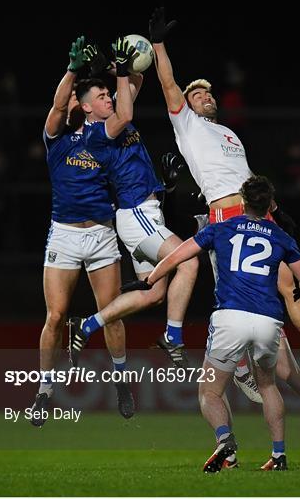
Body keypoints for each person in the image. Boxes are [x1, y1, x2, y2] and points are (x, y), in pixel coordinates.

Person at [148, 7, 300, 467]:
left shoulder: (229, 135)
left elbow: (249, 180)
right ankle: (250, 367)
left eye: (207, 92)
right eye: (196, 92)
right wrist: (160, 46)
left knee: (287, 290)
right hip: (226, 222)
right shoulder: (187, 123)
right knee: (261, 307)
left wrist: (278, 213)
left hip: (256, 217)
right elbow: (168, 86)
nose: (203, 96)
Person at [134, 175, 300, 471]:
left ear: (242, 202)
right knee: (268, 385)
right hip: (269, 320)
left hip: (231, 317)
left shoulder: (221, 228)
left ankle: (225, 442)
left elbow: (179, 256)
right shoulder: (281, 236)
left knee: (210, 391)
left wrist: (151, 280)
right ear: (269, 204)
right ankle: (279, 455)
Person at [67, 40, 199, 369]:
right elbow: (126, 110)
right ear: (86, 108)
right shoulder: (94, 133)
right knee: (189, 260)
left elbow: (136, 82)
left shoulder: (110, 113)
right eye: (99, 96)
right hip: (137, 213)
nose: (106, 97)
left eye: (106, 93)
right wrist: (122, 71)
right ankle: (173, 337)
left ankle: (88, 324)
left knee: (153, 294)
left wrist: (118, 68)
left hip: (145, 213)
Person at [30, 36, 134, 426]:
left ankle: (122, 381)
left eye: (80, 96)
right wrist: (72, 70)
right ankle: (44, 393)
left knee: (110, 314)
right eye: (75, 96)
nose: (72, 100)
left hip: (102, 235)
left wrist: (122, 71)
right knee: (55, 317)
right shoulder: (56, 137)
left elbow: (124, 105)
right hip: (65, 235)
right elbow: (58, 104)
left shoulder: (103, 133)